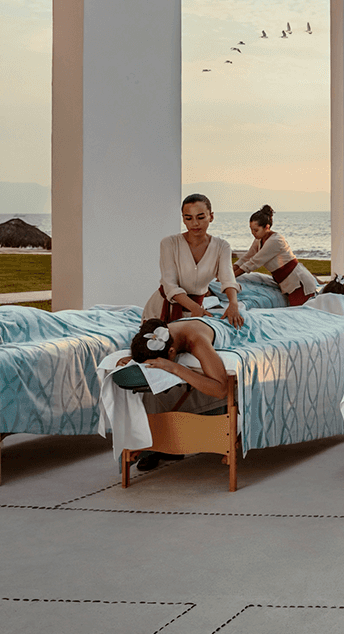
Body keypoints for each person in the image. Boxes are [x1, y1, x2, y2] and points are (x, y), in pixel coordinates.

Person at [116, 317, 237, 471]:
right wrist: (134, 360)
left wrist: (175, 368)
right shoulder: (158, 334)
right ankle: (152, 444)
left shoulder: (197, 341)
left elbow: (221, 390)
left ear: (172, 351)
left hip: (233, 328)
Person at [142, 194, 244, 329]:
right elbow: (170, 285)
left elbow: (228, 278)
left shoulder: (222, 246)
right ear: (183, 219)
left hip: (196, 312)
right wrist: (195, 309)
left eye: (201, 217)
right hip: (161, 311)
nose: (195, 223)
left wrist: (233, 304)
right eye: (188, 218)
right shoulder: (169, 243)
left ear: (211, 217)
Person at [234, 205, 319, 306]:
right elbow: (246, 257)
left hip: (299, 283)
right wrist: (228, 270)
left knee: (299, 315)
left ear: (267, 227)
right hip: (287, 283)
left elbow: (253, 263)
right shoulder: (259, 240)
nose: (253, 233)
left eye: (256, 230)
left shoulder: (275, 241)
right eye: (251, 229)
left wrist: (231, 276)